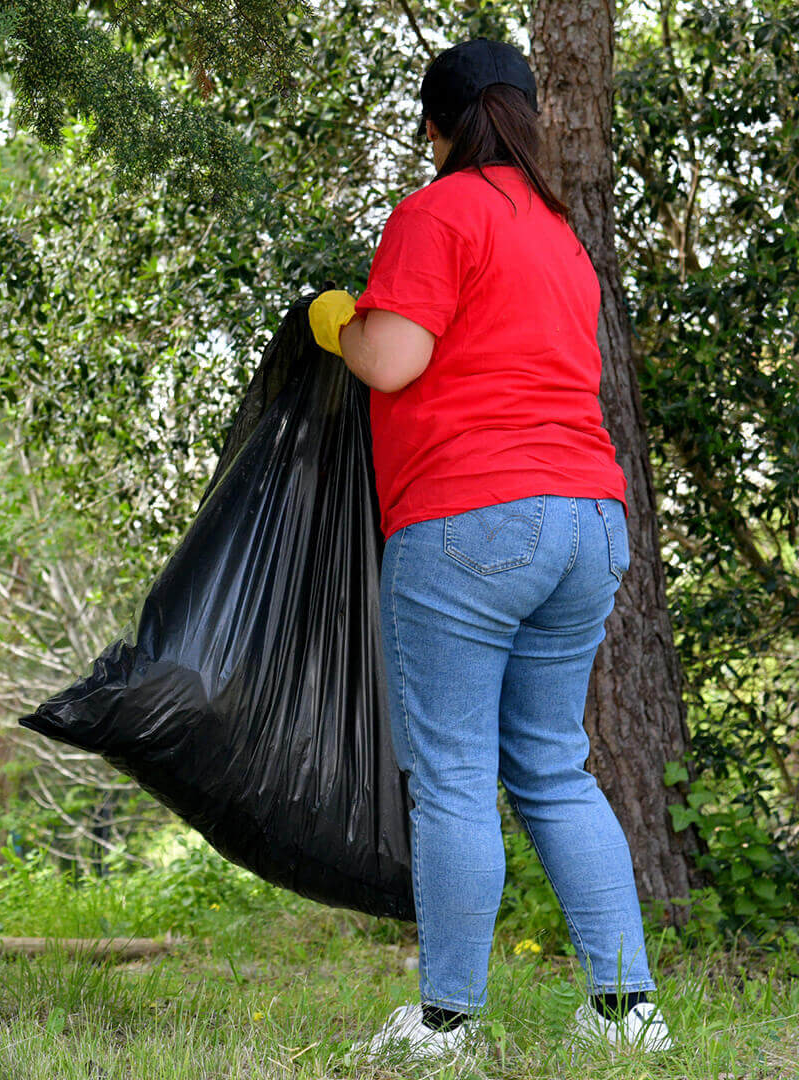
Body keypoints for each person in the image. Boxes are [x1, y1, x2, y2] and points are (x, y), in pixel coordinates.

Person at [308, 40, 672, 1062]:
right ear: (521, 115)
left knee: (457, 776)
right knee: (555, 767)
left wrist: (338, 316)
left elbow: (394, 357)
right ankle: (626, 1013)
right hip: (590, 522)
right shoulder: (563, 236)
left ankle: (447, 1025)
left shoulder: (441, 211)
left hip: (472, 519)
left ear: (438, 126)